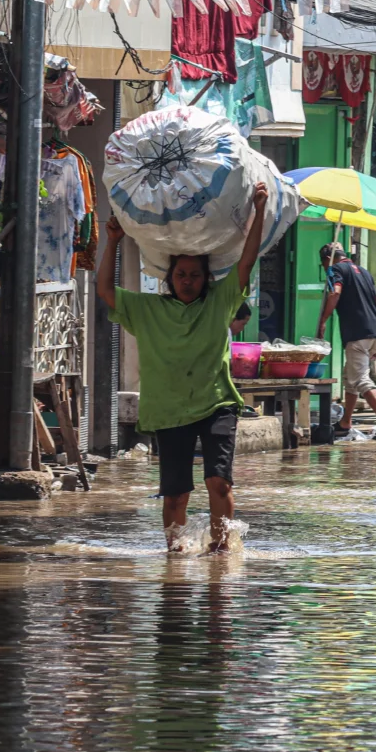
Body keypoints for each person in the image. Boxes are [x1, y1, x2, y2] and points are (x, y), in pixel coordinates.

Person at [97, 182, 270, 554]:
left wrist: (258, 210)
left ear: (205, 279)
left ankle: (221, 553)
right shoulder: (148, 309)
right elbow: (106, 292)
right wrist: (112, 242)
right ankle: (175, 557)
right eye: (181, 275)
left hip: (217, 403)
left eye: (194, 275)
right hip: (169, 410)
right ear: (169, 279)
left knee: (219, 482)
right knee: (176, 494)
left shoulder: (220, 301)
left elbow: (246, 262)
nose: (187, 281)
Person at [315, 243, 376, 441]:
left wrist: (323, 320)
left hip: (357, 331)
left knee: (360, 379)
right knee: (350, 377)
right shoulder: (364, 272)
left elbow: (335, 292)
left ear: (327, 259)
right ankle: (346, 422)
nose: (325, 269)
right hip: (373, 329)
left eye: (323, 265)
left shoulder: (335, 269)